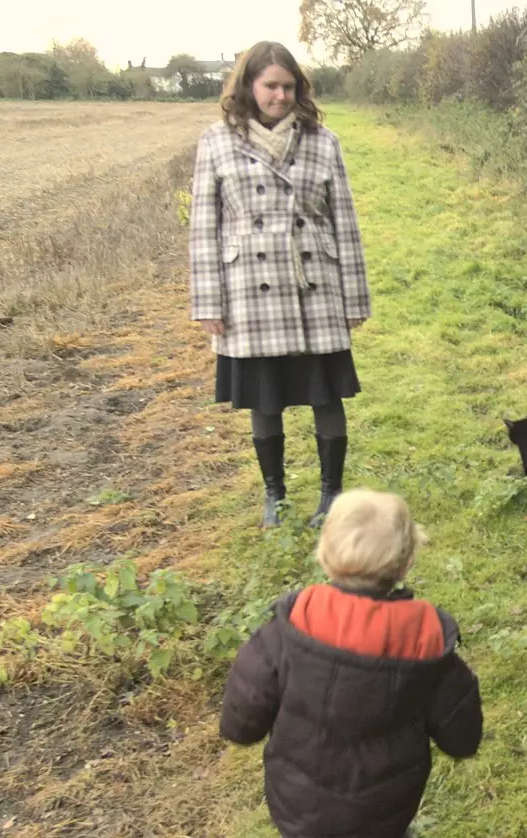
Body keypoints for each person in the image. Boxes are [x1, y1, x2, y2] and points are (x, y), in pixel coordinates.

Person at [219, 490, 483, 838]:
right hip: (386, 797)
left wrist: (240, 727)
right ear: (405, 565)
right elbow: (460, 728)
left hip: (299, 793)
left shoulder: (289, 627)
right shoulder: (425, 643)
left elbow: (245, 706)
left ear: (325, 556)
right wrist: (461, 740)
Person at [189, 41, 371, 528]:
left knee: (325, 392)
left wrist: (355, 297)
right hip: (250, 285)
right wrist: (208, 300)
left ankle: (332, 493)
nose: (281, 96)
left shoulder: (322, 140)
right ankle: (276, 494)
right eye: (271, 85)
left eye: (289, 86)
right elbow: (204, 227)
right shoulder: (216, 141)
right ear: (249, 85)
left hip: (315, 283)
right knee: (263, 396)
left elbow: (344, 222)